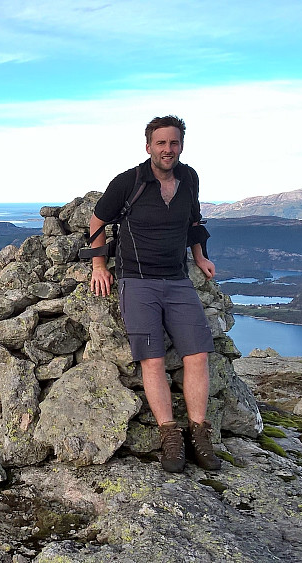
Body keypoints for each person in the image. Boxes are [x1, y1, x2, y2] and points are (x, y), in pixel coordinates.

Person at [88, 115, 221, 472]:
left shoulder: (189, 179)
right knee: (154, 360)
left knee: (197, 355)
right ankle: (169, 435)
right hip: (137, 281)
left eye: (173, 143)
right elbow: (97, 222)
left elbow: (194, 223)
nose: (168, 149)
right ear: (148, 146)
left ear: (181, 145)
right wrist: (99, 267)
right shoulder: (129, 181)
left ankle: (199, 432)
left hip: (178, 280)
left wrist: (200, 257)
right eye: (160, 143)